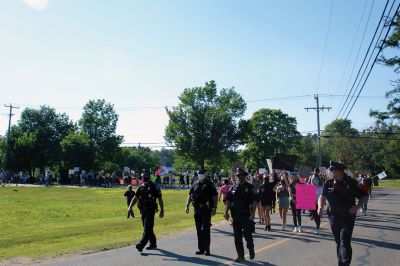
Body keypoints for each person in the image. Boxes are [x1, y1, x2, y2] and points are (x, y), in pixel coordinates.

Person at [318, 161, 367, 266]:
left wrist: (358, 206)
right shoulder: (328, 182)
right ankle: (341, 262)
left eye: (333, 170)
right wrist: (320, 206)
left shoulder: (351, 182)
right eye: (331, 171)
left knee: (344, 240)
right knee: (339, 242)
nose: (331, 172)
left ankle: (344, 264)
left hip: (347, 216)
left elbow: (364, 195)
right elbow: (322, 196)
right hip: (333, 217)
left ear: (340, 171)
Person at [224, 168, 257, 263]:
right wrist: (226, 212)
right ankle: (240, 256)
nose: (238, 177)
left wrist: (253, 214)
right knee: (237, 237)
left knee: (247, 235)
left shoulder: (250, 187)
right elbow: (228, 201)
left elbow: (254, 201)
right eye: (237, 176)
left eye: (240, 176)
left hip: (246, 215)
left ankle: (251, 249)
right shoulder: (233, 188)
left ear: (244, 176)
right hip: (235, 216)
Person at [185, 167, 218, 256]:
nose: (200, 176)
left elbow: (215, 197)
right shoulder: (195, 184)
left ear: (205, 175)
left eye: (202, 174)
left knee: (205, 229)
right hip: (197, 210)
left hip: (206, 210)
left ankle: (207, 249)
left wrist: (214, 208)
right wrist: (187, 205)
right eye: (199, 174)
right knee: (199, 230)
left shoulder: (209, 184)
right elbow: (189, 194)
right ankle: (201, 249)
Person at [129, 171, 164, 252]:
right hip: (143, 210)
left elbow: (160, 198)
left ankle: (141, 244)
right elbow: (135, 197)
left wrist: (162, 210)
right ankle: (153, 243)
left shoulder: (154, 186)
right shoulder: (140, 187)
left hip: (151, 209)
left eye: (146, 177)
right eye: (143, 177)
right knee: (148, 227)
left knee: (147, 227)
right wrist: (130, 207)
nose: (144, 178)